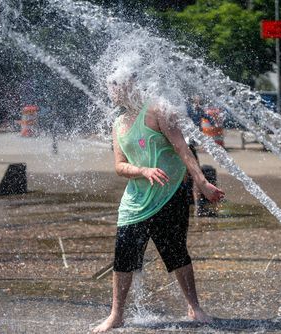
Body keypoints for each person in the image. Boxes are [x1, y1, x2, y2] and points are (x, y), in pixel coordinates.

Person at [93, 76, 225, 333]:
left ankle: (194, 308)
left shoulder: (157, 110)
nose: (111, 90)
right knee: (124, 256)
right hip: (136, 202)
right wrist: (142, 170)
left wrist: (202, 183)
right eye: (109, 85)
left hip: (169, 193)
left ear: (131, 83)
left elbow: (182, 149)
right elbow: (119, 166)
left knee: (176, 251)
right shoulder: (118, 124)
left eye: (116, 84)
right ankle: (116, 314)